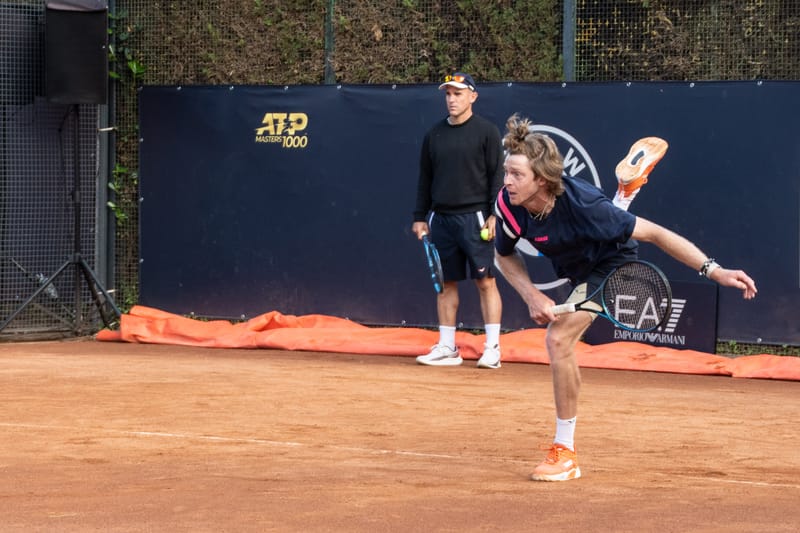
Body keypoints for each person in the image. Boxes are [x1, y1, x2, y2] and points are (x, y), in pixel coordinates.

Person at [493, 114, 757, 481]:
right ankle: (623, 195)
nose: (507, 181)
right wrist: (531, 295)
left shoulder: (583, 206)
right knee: (605, 226)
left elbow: (658, 235)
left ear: (541, 179)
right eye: (506, 172)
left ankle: (565, 452)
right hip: (579, 261)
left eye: (516, 175)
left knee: (558, 339)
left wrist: (714, 270)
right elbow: (503, 254)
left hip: (608, 265)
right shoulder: (509, 204)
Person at [412, 72, 505, 369]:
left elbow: (497, 177)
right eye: (448, 94)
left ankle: (492, 348)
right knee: (445, 284)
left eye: (458, 94)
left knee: (485, 281)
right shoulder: (434, 135)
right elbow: (425, 179)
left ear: (473, 97)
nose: (452, 99)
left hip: (476, 218)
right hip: (441, 219)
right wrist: (420, 216)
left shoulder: (487, 132)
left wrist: (494, 214)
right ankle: (448, 348)